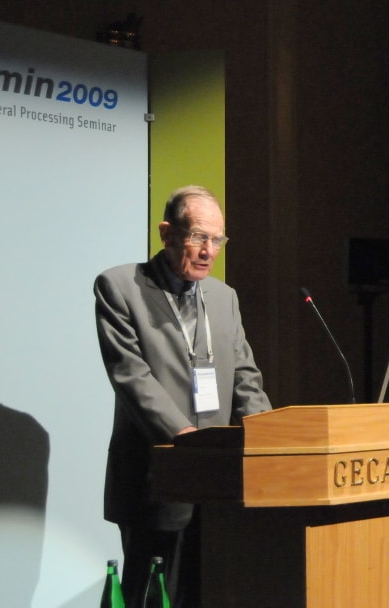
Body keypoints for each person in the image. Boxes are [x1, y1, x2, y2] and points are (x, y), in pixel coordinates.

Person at [94, 185, 271, 608]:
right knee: (154, 597)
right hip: (158, 479)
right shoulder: (120, 287)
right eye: (198, 237)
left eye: (217, 240)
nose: (209, 250)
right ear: (166, 232)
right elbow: (132, 377)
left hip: (222, 485)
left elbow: (245, 376)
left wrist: (270, 440)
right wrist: (189, 444)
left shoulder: (224, 297)